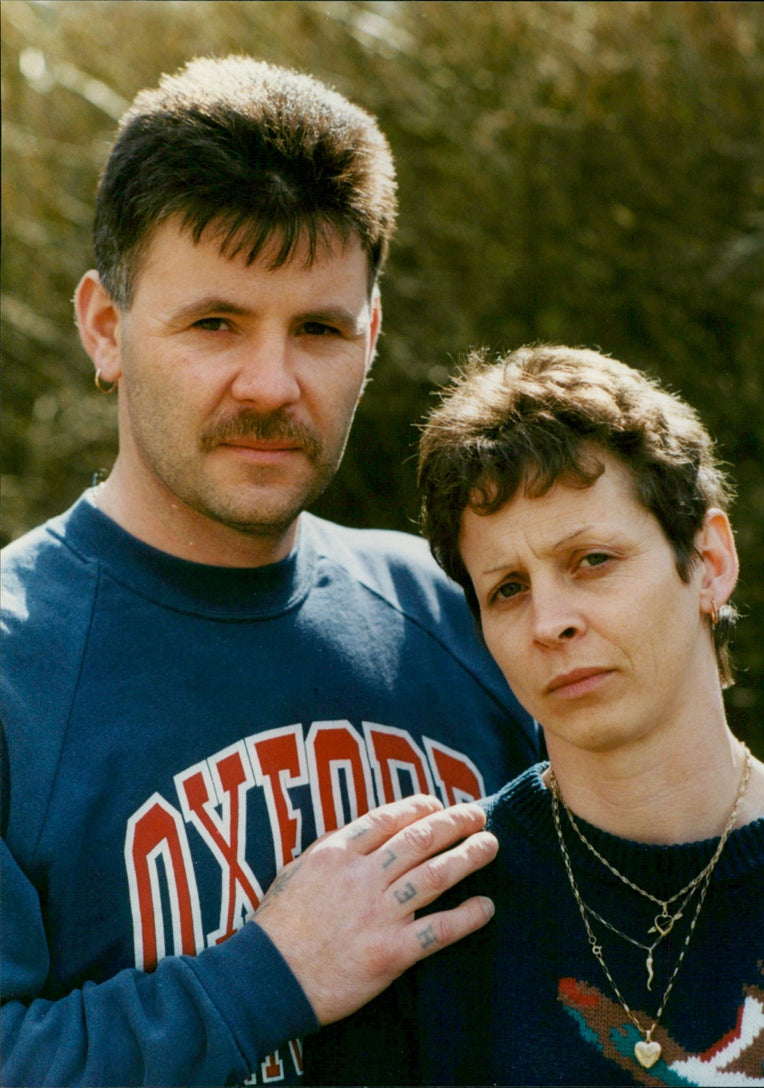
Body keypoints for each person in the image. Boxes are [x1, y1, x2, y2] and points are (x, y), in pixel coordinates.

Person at [0, 58, 541, 1087]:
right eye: (214, 323)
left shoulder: (468, 615)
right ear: (104, 328)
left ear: (370, 337)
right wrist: (264, 976)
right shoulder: (13, 671)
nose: (270, 382)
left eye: (320, 329)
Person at [307, 344, 764, 1087]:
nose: (550, 621)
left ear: (709, 561)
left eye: (592, 560)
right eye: (507, 588)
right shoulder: (425, 924)